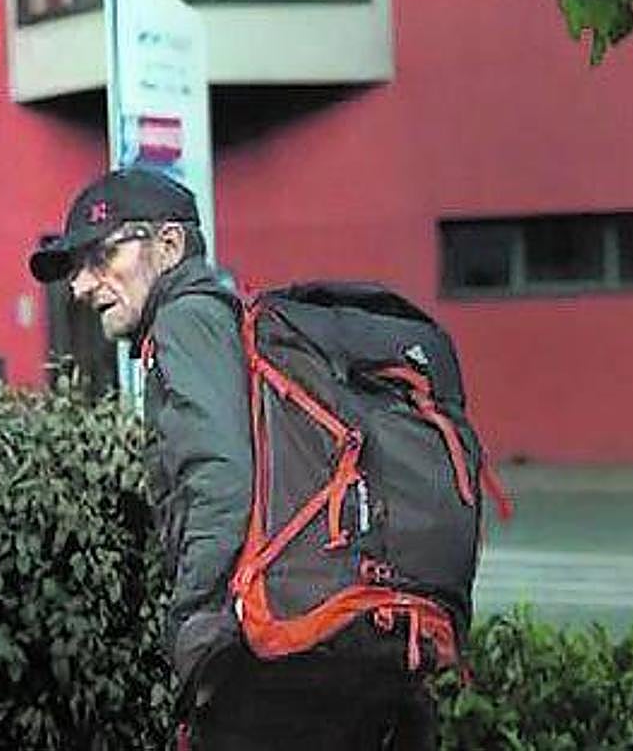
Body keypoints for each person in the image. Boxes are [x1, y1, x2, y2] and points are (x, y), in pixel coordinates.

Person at [28, 167, 437, 750]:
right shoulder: (222, 321)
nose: (80, 286)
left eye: (100, 257)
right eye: (75, 268)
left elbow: (219, 476)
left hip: (280, 662)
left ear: (169, 245)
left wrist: (193, 622)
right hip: (342, 644)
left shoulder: (185, 320)